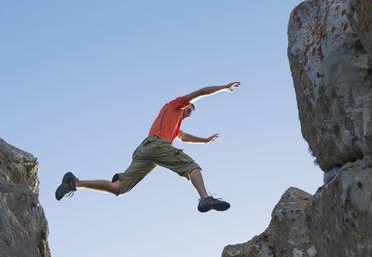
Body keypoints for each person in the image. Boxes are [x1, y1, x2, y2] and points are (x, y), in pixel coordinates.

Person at [55, 82, 240, 212]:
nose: (189, 115)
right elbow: (200, 93)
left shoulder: (174, 126)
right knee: (192, 167)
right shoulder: (175, 105)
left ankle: (74, 183)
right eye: (189, 110)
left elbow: (185, 138)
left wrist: (205, 140)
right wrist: (223, 88)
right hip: (155, 145)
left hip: (145, 152)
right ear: (184, 106)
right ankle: (205, 198)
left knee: (119, 188)